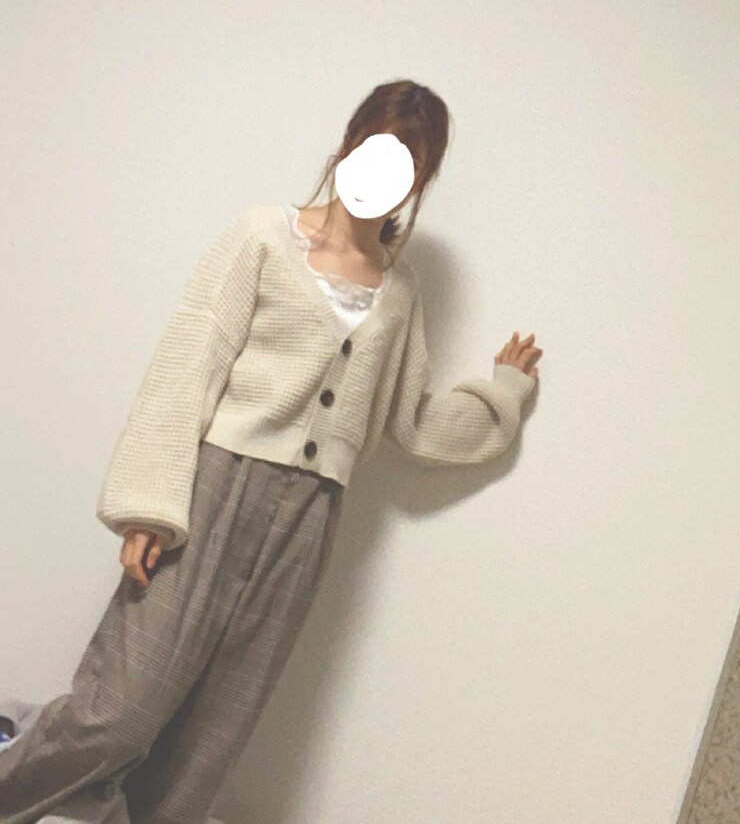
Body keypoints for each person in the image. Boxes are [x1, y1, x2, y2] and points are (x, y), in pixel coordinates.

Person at [0, 80, 542, 824]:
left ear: (423, 178)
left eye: (412, 163)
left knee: (205, 744)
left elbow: (411, 419)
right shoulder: (262, 238)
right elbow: (188, 366)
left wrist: (503, 393)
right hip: (211, 492)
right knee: (118, 716)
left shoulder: (400, 291)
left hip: (309, 518)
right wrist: (149, 505)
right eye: (379, 147)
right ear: (349, 144)